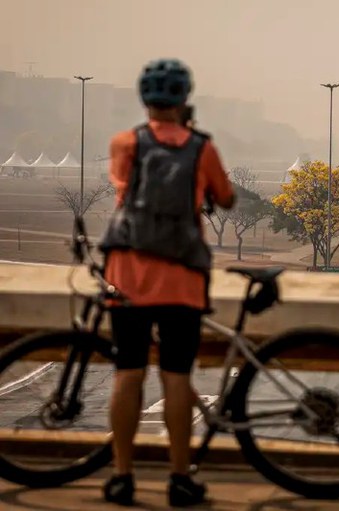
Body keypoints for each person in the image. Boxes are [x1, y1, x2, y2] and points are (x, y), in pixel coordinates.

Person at [98, 58, 236, 507]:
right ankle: (179, 478)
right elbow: (226, 197)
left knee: (128, 374)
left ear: (145, 100)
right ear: (183, 99)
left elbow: (122, 189)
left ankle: (122, 477)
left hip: (128, 276)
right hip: (181, 280)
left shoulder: (126, 143)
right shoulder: (202, 147)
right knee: (176, 378)